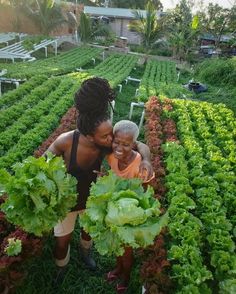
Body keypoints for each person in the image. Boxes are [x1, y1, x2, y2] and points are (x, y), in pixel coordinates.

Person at [45, 77, 153, 284]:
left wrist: (146, 160)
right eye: (105, 137)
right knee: (62, 241)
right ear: (90, 135)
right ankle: (61, 267)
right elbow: (41, 165)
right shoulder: (66, 142)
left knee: (88, 234)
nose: (111, 141)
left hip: (90, 201)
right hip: (65, 204)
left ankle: (86, 254)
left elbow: (139, 145)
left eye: (109, 135)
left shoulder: (105, 144)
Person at [105, 120, 154, 293]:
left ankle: (126, 276)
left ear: (134, 144)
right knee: (117, 245)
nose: (119, 147)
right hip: (115, 210)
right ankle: (118, 268)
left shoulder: (140, 164)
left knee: (126, 251)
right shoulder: (111, 156)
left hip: (130, 215)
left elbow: (146, 194)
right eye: (116, 142)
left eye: (126, 144)